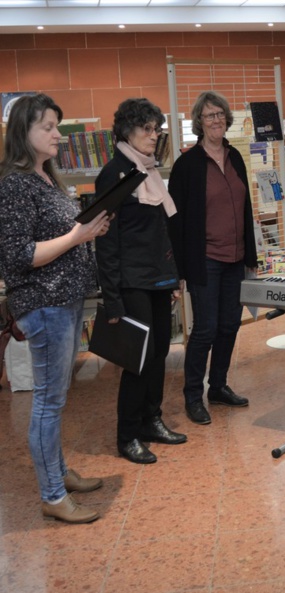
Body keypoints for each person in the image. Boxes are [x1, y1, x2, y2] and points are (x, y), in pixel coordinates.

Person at [0, 94, 110, 523]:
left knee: (56, 399)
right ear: (23, 131)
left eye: (56, 126)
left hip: (63, 299)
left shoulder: (46, 178)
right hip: (44, 304)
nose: (57, 134)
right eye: (47, 127)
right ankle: (52, 494)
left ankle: (59, 473)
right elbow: (19, 255)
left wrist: (88, 231)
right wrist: (77, 236)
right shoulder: (14, 185)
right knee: (47, 402)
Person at [95, 98, 186, 464]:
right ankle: (128, 434)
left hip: (158, 278)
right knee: (139, 358)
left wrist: (173, 277)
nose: (153, 135)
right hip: (131, 280)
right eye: (146, 129)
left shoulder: (150, 171)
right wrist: (112, 298)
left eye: (156, 129)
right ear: (126, 130)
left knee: (161, 350)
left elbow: (161, 231)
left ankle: (151, 420)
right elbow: (106, 241)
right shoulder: (114, 173)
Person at [168, 91, 258, 425]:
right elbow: (175, 222)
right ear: (199, 122)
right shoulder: (187, 165)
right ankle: (193, 395)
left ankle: (218, 386)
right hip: (204, 259)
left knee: (230, 325)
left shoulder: (235, 158)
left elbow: (246, 209)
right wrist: (178, 270)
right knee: (205, 329)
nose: (216, 120)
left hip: (236, 259)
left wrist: (251, 255)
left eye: (220, 114)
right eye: (209, 115)